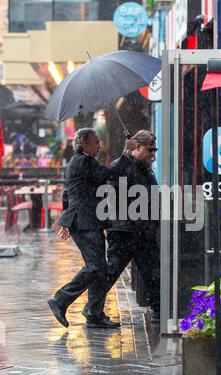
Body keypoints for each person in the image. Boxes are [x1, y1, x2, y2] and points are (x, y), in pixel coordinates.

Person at [47, 127, 137, 329]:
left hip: (86, 220)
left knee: (101, 269)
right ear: (84, 144)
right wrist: (125, 153)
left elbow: (68, 193)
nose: (99, 145)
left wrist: (67, 220)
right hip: (85, 222)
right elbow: (108, 174)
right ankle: (61, 299)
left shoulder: (79, 162)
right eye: (96, 142)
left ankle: (94, 314)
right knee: (95, 267)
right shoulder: (84, 161)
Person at [83, 129, 161, 324]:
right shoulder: (121, 166)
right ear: (136, 148)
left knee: (152, 271)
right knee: (110, 272)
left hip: (142, 231)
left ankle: (159, 309)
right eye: (149, 150)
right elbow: (114, 197)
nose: (152, 154)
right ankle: (92, 310)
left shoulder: (146, 168)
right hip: (124, 231)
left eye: (155, 150)